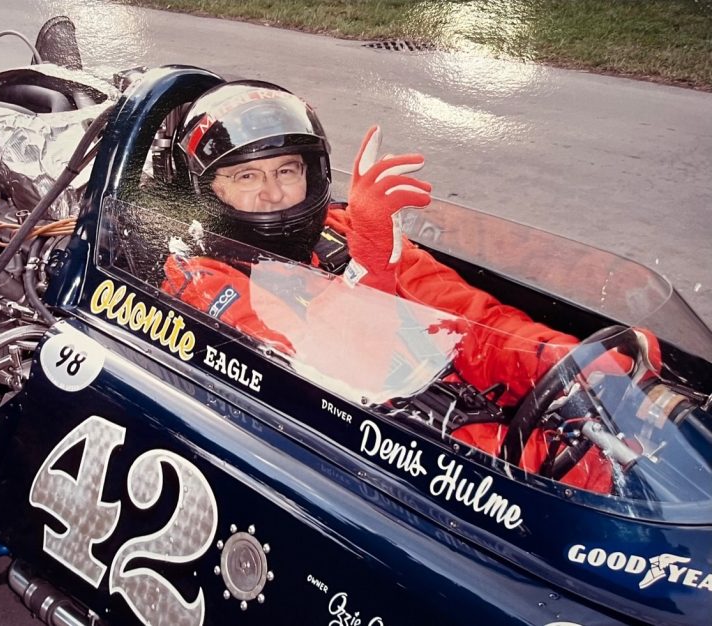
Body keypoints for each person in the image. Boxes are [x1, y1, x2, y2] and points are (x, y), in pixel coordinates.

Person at [159, 80, 660, 494]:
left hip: (467, 433)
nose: (273, 193)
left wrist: (572, 365)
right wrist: (367, 274)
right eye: (246, 177)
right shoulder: (201, 278)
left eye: (287, 170)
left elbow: (470, 321)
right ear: (207, 191)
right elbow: (311, 386)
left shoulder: (347, 229)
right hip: (378, 468)